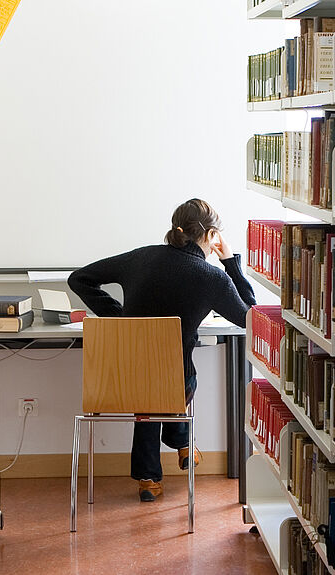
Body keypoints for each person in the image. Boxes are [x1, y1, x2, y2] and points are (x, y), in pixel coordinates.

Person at [67, 198, 256, 501]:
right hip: (175, 386)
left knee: (147, 397)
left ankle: (148, 479)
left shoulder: (141, 257)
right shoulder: (212, 277)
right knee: (171, 381)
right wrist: (231, 262)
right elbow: (251, 318)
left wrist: (119, 319)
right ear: (211, 236)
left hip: (121, 382)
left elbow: (79, 279)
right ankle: (179, 437)